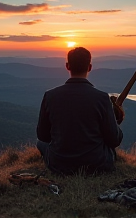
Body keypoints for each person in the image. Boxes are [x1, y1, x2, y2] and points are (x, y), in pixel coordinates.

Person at [36, 47, 123, 175]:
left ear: (67, 66)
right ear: (90, 67)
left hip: (59, 164)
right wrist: (115, 124)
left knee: (40, 143)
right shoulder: (102, 98)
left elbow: (42, 135)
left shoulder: (50, 96)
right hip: (96, 164)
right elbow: (114, 140)